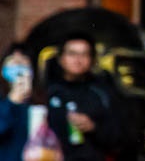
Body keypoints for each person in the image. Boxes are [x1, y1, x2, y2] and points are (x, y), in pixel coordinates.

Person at [46, 33, 127, 161]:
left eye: (84, 54)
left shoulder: (102, 93)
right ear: (61, 58)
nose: (78, 60)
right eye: (72, 53)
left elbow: (120, 137)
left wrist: (93, 127)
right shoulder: (47, 91)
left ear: (92, 60)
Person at [0, 43, 33, 161]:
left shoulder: (39, 99)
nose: (18, 63)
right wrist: (12, 101)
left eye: (23, 60)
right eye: (13, 61)